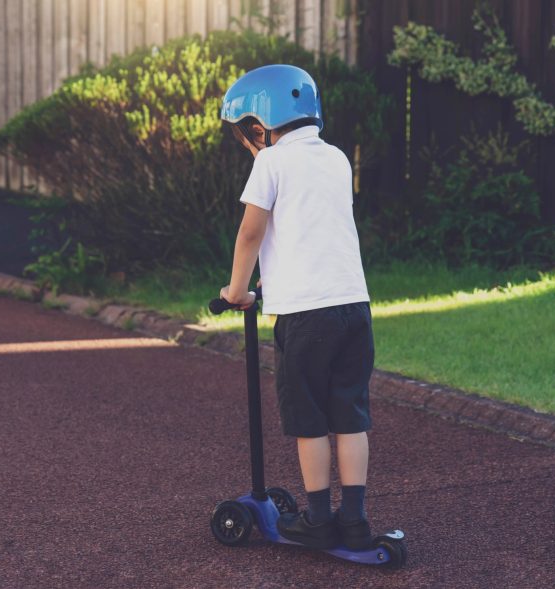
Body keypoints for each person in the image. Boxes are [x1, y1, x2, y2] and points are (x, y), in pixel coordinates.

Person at [218, 64, 375, 551]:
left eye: (244, 135)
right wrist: (278, 270)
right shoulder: (336, 159)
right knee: (349, 414)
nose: (246, 145)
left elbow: (252, 230)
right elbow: (313, 226)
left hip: (306, 318)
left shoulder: (271, 162)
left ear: (259, 127)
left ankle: (318, 520)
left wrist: (236, 289)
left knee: (307, 416)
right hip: (353, 307)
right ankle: (354, 520)